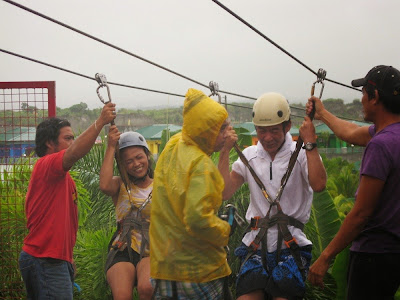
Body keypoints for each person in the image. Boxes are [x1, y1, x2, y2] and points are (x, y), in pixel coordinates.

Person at [218, 92, 327, 300]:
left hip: (291, 245)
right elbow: (225, 192)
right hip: (256, 244)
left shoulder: (302, 152)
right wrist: (224, 151)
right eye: (261, 131)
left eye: (274, 130)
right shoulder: (250, 155)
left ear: (287, 126)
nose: (267, 138)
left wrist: (310, 142)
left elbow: (319, 184)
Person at [307, 65, 400, 299]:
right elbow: (350, 132)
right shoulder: (388, 135)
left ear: (375, 97)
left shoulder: (380, 145)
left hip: (373, 256)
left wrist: (326, 257)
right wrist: (323, 114)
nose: (361, 100)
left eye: (363, 94)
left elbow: (360, 214)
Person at [18, 102, 116, 299]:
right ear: (49, 143)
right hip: (45, 260)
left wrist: (67, 259)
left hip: (52, 260)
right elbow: (74, 153)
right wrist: (100, 122)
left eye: (73, 138)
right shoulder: (46, 165)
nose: (72, 142)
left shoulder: (64, 179)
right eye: (68, 138)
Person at [149, 88, 237, 299]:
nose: (226, 133)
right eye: (221, 128)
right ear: (206, 131)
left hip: (164, 266)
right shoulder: (202, 164)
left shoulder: (173, 145)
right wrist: (225, 230)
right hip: (198, 270)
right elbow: (198, 219)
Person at [100, 128, 154, 300]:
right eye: (128, 161)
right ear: (122, 165)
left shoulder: (160, 185)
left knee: (147, 288)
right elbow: (104, 185)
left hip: (150, 249)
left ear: (147, 156)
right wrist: (110, 147)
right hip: (123, 247)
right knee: (122, 295)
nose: (136, 164)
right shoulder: (119, 185)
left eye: (139, 157)